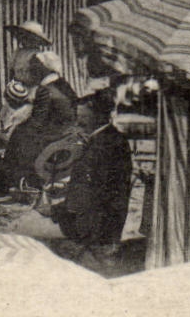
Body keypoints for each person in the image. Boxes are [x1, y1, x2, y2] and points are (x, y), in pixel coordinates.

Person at [49, 89, 132, 256]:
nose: (79, 122)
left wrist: (61, 211)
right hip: (101, 223)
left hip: (97, 227)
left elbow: (97, 191)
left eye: (83, 118)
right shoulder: (106, 138)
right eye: (78, 118)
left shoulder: (105, 143)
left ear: (98, 116)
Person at [0, 49, 77, 200]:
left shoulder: (45, 90)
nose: (34, 70)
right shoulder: (63, 85)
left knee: (19, 135)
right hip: (69, 130)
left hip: (56, 133)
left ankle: (17, 181)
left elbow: (37, 121)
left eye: (37, 66)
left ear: (45, 69)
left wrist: (17, 130)